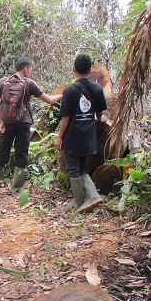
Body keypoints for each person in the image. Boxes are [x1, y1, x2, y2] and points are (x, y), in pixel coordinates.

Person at [0, 57, 63, 191]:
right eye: (30, 69)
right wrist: (61, 95)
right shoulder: (29, 83)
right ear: (25, 69)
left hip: (7, 122)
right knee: (21, 152)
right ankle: (16, 187)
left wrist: (1, 122)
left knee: (3, 150)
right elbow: (49, 100)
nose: (31, 71)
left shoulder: (3, 82)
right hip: (24, 122)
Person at [54, 54, 107, 213]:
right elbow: (100, 111)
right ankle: (88, 197)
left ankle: (81, 202)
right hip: (89, 135)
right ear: (90, 70)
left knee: (73, 169)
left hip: (73, 136)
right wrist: (96, 119)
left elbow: (66, 117)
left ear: (73, 69)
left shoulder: (70, 91)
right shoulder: (97, 88)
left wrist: (59, 137)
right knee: (80, 167)